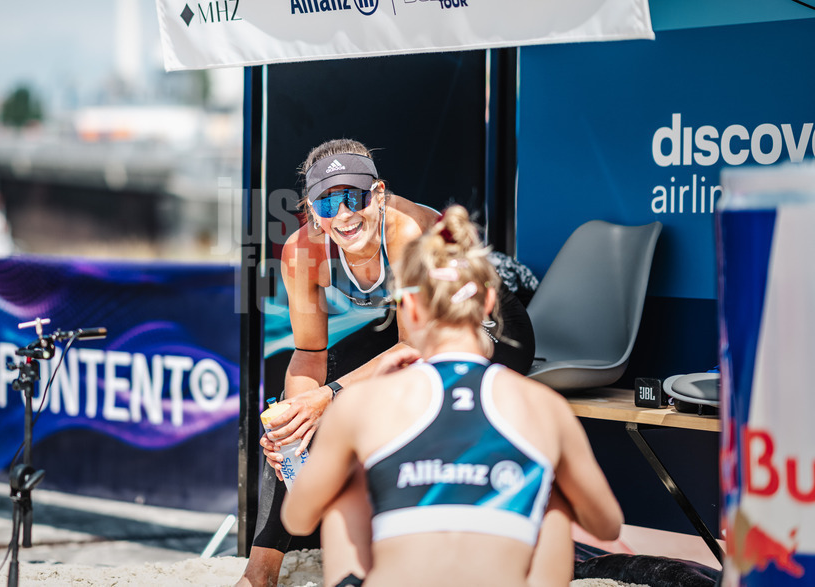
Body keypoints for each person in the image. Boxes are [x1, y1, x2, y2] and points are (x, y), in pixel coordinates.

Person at [237, 139, 536, 586]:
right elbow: (308, 355)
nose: (343, 214)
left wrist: (329, 397)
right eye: (327, 202)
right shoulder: (301, 251)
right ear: (312, 209)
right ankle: (259, 573)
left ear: (377, 193)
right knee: (288, 416)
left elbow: (413, 350)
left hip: (487, 325)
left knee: (397, 390)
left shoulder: (407, 229)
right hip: (409, 330)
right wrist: (294, 431)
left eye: (353, 198)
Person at [282, 204, 623, 586]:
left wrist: (354, 465)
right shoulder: (544, 406)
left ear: (407, 309)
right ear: (489, 305)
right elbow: (607, 526)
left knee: (347, 490)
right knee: (553, 501)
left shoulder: (363, 405)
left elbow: (298, 518)